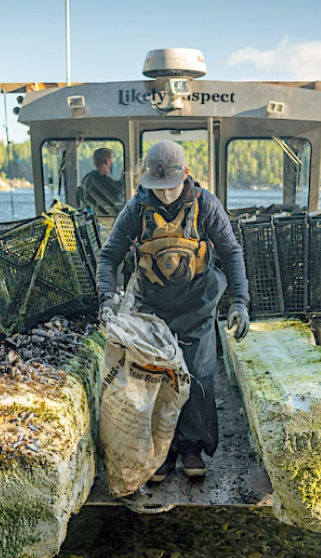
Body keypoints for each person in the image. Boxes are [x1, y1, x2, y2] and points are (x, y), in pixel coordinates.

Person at [96, 140, 250, 482]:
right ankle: (161, 453)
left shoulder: (206, 205)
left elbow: (231, 253)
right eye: (158, 188)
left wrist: (239, 302)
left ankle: (192, 448)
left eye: (171, 188)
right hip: (153, 308)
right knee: (156, 377)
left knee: (199, 375)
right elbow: (109, 257)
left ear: (187, 176)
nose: (164, 195)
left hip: (198, 303)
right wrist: (106, 298)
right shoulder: (136, 208)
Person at [78, 147, 123, 216]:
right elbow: (117, 191)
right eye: (112, 161)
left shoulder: (90, 178)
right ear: (107, 161)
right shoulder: (96, 181)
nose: (112, 164)